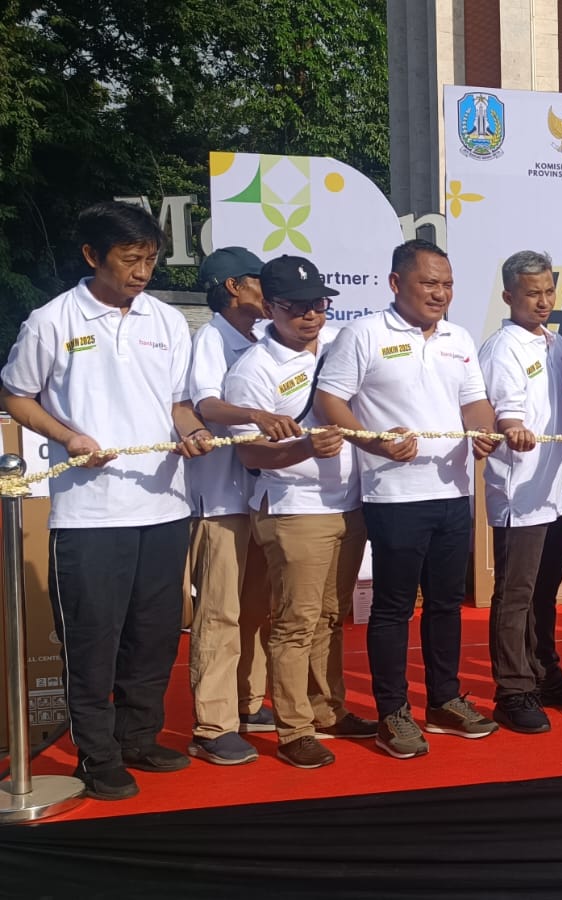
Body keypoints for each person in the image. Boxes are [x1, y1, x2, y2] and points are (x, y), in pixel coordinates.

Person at [0, 202, 213, 800]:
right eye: (129, 259)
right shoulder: (52, 320)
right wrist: (69, 435)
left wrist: (190, 431)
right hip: (91, 514)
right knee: (93, 639)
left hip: (165, 504)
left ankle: (139, 738)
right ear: (92, 256)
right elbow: (16, 394)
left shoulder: (167, 321)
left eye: (149, 258)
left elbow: (177, 401)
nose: (142, 271)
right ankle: (96, 756)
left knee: (154, 632)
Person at [315, 239, 501, 758]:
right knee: (395, 608)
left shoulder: (459, 338)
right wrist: (372, 440)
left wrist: (483, 432)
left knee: (446, 604)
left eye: (447, 284)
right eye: (429, 283)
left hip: (454, 491)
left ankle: (444, 700)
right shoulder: (363, 334)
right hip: (393, 495)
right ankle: (391, 711)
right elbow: (329, 399)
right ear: (396, 283)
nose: (440, 294)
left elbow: (475, 404)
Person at [227, 255, 377, 769]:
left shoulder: (341, 347)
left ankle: (328, 708)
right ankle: (293, 728)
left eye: (320, 304)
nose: (311, 316)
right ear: (270, 307)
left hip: (348, 502)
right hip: (295, 507)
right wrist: (306, 450)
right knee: (294, 622)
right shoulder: (254, 369)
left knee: (332, 619)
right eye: (297, 307)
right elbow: (248, 455)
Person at [479, 250, 562, 734]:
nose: (543, 302)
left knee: (545, 591)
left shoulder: (559, 342)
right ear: (508, 297)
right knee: (516, 593)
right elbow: (506, 409)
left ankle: (545, 675)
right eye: (531, 293)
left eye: (548, 291)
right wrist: (513, 426)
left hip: (560, 486)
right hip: (521, 488)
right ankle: (512, 689)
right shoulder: (503, 347)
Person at [184, 246, 284, 766]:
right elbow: (206, 405)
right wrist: (253, 413)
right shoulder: (210, 338)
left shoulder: (267, 340)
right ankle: (212, 724)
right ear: (232, 287)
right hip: (219, 494)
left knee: (258, 608)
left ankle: (249, 702)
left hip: (262, 492)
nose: (268, 293)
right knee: (220, 611)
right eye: (258, 282)